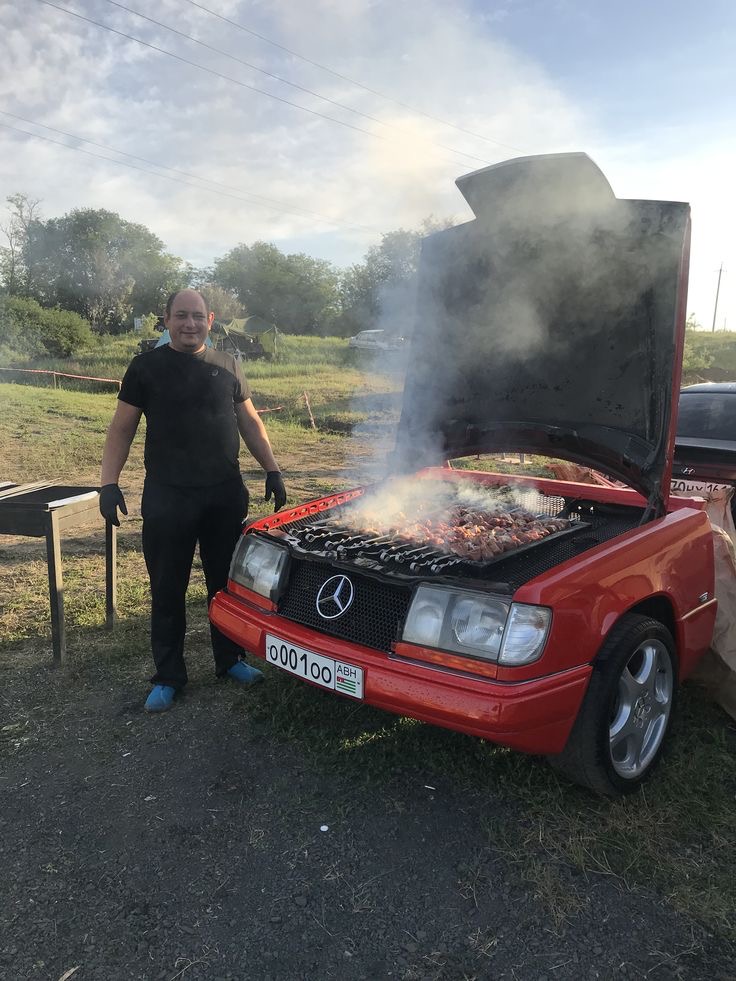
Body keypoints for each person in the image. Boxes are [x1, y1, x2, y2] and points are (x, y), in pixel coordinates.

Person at [99, 289, 287, 713]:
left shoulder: (228, 364)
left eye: (197, 316)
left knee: (225, 585)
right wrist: (108, 483)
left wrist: (272, 469)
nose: (189, 324)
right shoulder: (145, 367)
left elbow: (250, 422)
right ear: (165, 319)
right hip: (168, 496)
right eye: (180, 316)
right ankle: (168, 676)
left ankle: (231, 660)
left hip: (223, 494)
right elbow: (121, 429)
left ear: (211, 319)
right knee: (167, 588)